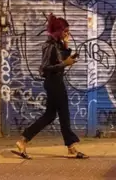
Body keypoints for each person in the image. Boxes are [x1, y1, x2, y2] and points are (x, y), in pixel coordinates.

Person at [13, 14, 89, 160]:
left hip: (56, 82)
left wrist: (66, 48)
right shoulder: (49, 46)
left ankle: (23, 141)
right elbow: (45, 68)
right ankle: (71, 148)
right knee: (64, 115)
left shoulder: (57, 45)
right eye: (65, 31)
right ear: (58, 31)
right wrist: (64, 64)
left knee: (49, 116)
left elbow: (62, 60)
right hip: (54, 83)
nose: (68, 34)